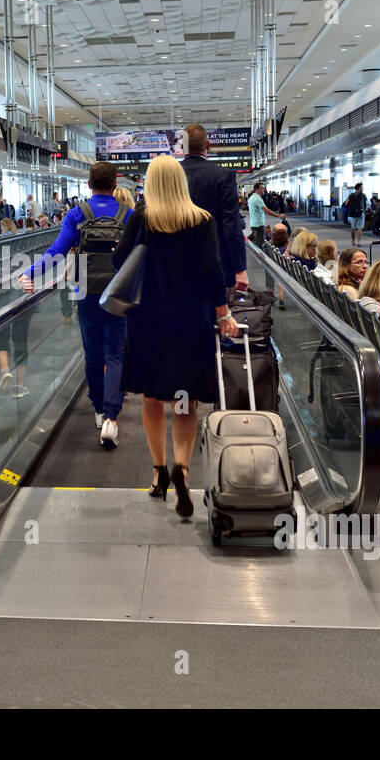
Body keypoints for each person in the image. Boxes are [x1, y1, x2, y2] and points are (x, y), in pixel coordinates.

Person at [111, 156, 239, 518]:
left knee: (152, 398)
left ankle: (159, 471)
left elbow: (120, 261)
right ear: (181, 182)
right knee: (185, 398)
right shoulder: (201, 220)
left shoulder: (141, 219)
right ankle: (182, 468)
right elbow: (213, 270)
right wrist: (223, 313)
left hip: (149, 320)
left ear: (150, 183)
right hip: (190, 321)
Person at [21, 161, 132, 449]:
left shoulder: (76, 214)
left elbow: (56, 251)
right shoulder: (128, 214)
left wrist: (29, 273)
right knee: (116, 353)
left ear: (88, 185)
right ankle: (111, 416)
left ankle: (97, 409)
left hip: (86, 292)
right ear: (115, 185)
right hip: (118, 293)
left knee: (93, 353)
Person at [180, 123, 248, 297]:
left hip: (174, 263)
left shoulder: (171, 175)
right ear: (208, 145)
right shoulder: (223, 176)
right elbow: (231, 225)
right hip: (214, 262)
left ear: (182, 147)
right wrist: (240, 268)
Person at [247, 180, 286, 246]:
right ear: (257, 189)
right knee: (259, 245)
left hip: (254, 224)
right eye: (262, 188)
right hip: (258, 225)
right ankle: (259, 256)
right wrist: (278, 216)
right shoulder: (258, 199)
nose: (264, 189)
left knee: (260, 242)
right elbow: (266, 210)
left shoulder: (251, 198)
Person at [344, 182, 367, 247]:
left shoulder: (351, 195)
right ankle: (358, 242)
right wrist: (363, 210)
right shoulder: (363, 195)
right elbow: (365, 205)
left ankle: (353, 241)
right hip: (360, 213)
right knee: (360, 228)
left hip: (353, 213)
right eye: (362, 187)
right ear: (359, 188)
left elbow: (346, 203)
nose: (363, 188)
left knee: (353, 228)